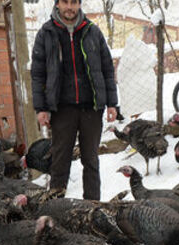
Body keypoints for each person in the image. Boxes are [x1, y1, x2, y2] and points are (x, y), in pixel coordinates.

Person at [31, 0, 118, 201]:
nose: (69, 7)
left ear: (79, 5)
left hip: (91, 108)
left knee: (91, 161)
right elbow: (38, 74)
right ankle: (56, 207)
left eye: (74, 2)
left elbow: (107, 68)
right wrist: (41, 108)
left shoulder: (92, 31)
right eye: (65, 2)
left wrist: (112, 103)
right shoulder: (47, 33)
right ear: (58, 4)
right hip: (62, 109)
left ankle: (92, 207)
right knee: (60, 162)